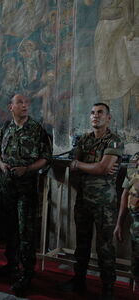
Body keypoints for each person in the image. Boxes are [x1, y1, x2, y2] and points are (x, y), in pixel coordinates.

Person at [58, 103, 124, 299]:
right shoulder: (84, 139)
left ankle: (108, 289)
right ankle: (79, 282)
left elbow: (103, 169)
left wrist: (82, 165)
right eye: (93, 113)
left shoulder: (114, 141)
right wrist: (88, 166)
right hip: (83, 200)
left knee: (104, 247)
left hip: (104, 203)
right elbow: (73, 164)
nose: (96, 116)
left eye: (100, 113)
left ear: (109, 118)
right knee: (82, 244)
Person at [0, 94, 52, 297]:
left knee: (25, 231)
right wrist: (1, 165)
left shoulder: (36, 129)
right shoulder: (7, 127)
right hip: (6, 186)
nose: (25, 105)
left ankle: (26, 273)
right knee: (9, 227)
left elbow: (46, 157)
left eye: (27, 103)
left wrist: (27, 169)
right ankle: (10, 264)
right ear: (11, 106)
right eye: (20, 102)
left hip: (25, 188)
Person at [114, 152, 139, 294]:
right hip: (135, 225)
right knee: (136, 267)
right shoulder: (135, 158)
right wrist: (119, 223)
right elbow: (126, 192)